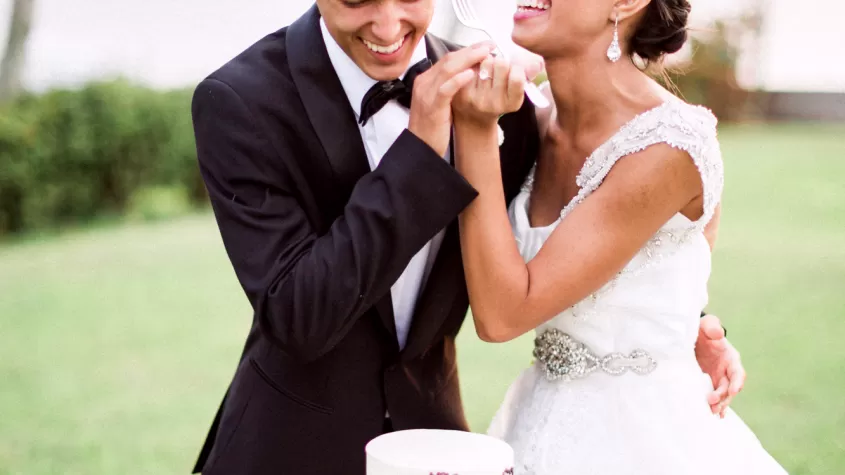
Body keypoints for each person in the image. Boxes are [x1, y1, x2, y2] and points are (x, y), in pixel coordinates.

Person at [189, 1, 746, 474]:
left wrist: (680, 326)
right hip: (285, 446)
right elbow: (298, 316)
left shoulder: (510, 112)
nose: (386, 27)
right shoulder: (241, 100)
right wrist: (421, 150)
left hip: (440, 438)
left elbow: (622, 230)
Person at [450, 0, 787, 473]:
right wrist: (694, 325)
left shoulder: (667, 145)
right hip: (538, 420)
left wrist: (474, 131)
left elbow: (503, 316)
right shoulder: (533, 118)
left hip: (643, 440)